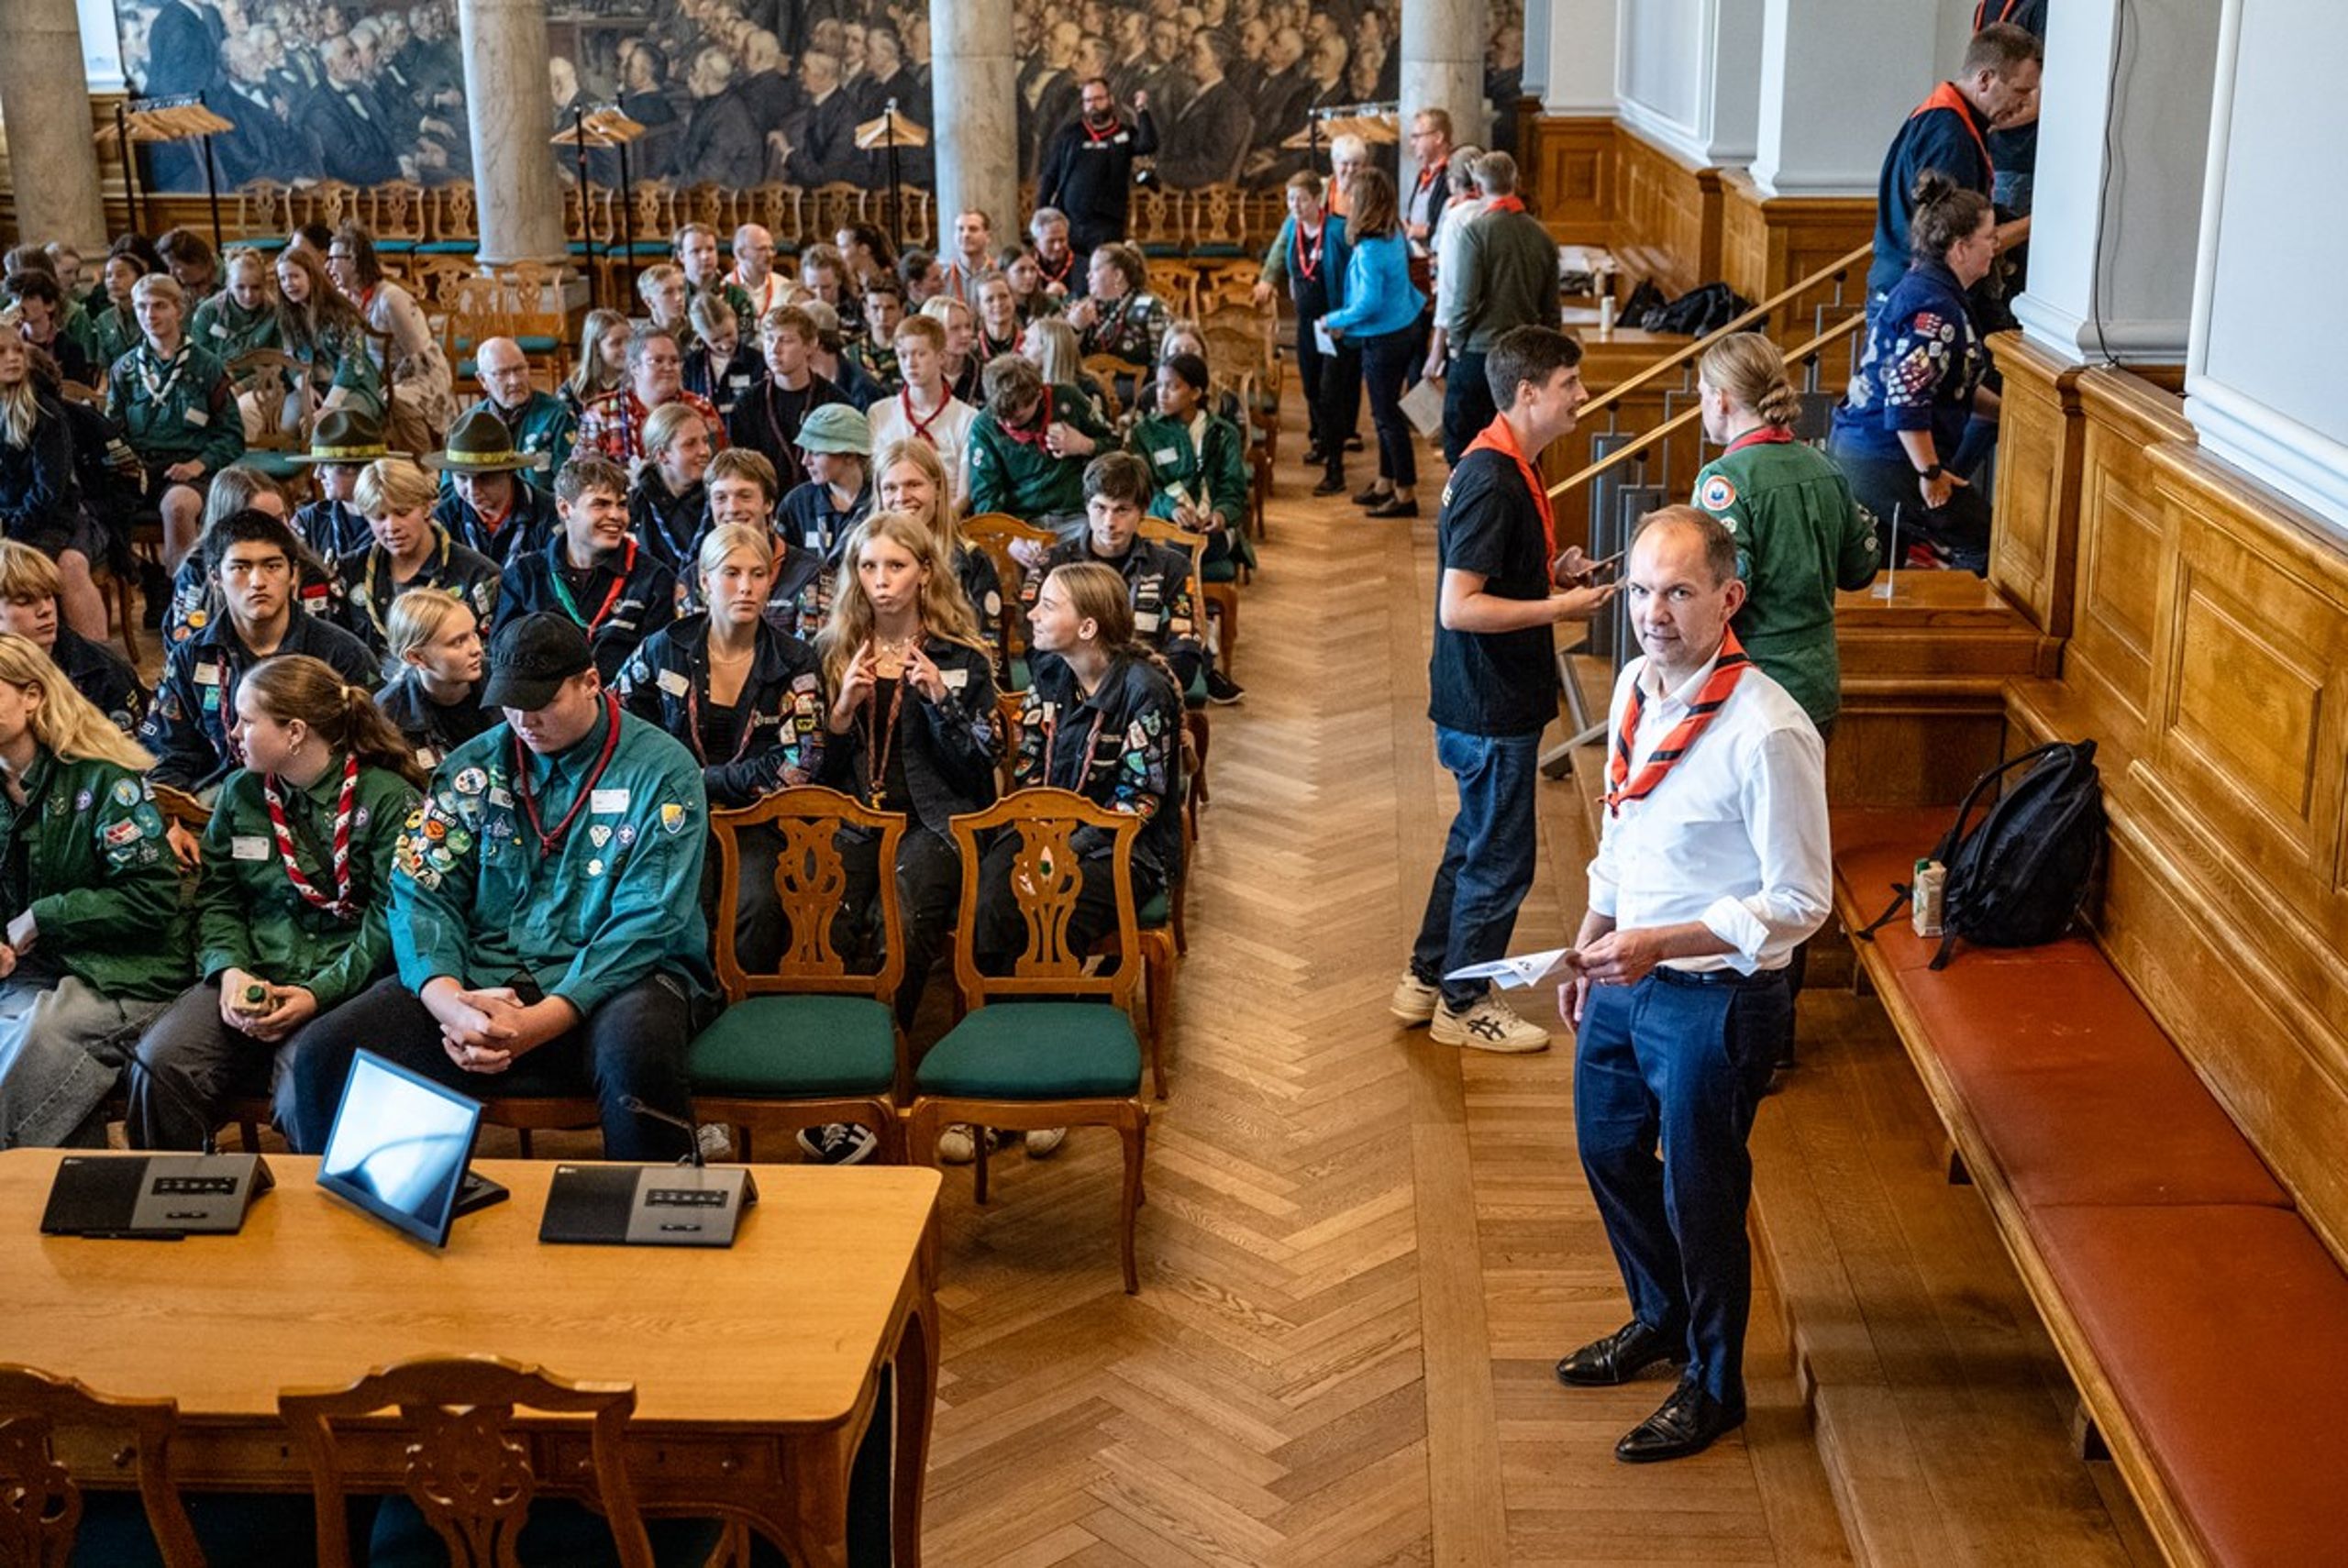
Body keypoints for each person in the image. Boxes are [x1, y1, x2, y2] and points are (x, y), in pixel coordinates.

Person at [1551, 505, 1829, 1464]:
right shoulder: (1632, 684)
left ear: (1727, 597)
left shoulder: (1767, 731)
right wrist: (1592, 938)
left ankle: (1714, 1386)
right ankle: (1660, 1317)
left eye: (1678, 592)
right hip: (1624, 972)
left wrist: (1658, 941)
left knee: (1700, 1198)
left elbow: (1801, 901)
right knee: (1606, 1151)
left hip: (1715, 998)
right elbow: (1625, 827)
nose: (1653, 613)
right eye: (1640, 590)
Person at [276, 612, 713, 1161]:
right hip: (483, 977)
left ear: (590, 682)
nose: (525, 721)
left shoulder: (662, 770)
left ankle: (659, 1225)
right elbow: (420, 892)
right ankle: (373, 1224)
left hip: (617, 980)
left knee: (638, 1050)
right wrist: (449, 1001)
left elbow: (649, 920)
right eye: (512, 703)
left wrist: (543, 1018)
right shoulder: (472, 767)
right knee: (325, 1052)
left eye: (543, 703)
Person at [1392, 326, 1612, 1051]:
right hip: (1489, 706)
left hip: (1484, 697)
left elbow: (1494, 573)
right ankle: (1464, 1004)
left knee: (1473, 843)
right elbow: (1461, 606)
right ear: (1528, 392)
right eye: (1569, 385)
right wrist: (1561, 609)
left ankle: (1427, 977)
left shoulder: (1510, 462)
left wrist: (1554, 572)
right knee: (1500, 859)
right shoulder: (1492, 477)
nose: (1581, 396)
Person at [126, 655, 426, 1151]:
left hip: (346, 983)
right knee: (161, 1065)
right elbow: (219, 897)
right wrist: (230, 971)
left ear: (294, 732)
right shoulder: (242, 793)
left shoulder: (389, 799)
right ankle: (177, 1208)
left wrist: (317, 994)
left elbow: (391, 921)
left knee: (305, 1089)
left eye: (247, 720)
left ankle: (314, 1225)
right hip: (256, 970)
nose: (233, 732)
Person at [817, 511, 1003, 1043]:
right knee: (822, 911)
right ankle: (829, 1059)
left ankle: (874, 1052)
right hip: (855, 817)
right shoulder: (834, 653)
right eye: (869, 565)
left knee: (897, 917)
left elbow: (978, 768)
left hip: (936, 822)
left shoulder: (961, 656)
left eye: (895, 565)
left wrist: (942, 704)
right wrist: (841, 714)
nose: (880, 579)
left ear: (924, 571)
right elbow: (814, 772)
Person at [0, 633, 186, 1148]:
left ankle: (11, 1188)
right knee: (22, 1036)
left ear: (32, 696)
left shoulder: (106, 780)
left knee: (45, 1035)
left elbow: (151, 899)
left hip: (129, 969)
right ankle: (63, 1202)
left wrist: (45, 915)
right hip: (38, 970)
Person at [993, 561, 1184, 972]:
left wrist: (1063, 852)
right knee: (991, 894)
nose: (1031, 615)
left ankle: (1059, 1016)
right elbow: (1029, 766)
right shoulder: (1048, 672)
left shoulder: (1144, 691)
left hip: (1125, 848)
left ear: (1087, 629)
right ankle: (998, 1012)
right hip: (1044, 829)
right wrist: (1041, 838)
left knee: (1060, 908)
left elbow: (1139, 802)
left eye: (1047, 605)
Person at [1693, 334, 1878, 735]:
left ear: (1721, 399)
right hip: (1818, 681)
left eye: (1702, 395)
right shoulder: (1825, 467)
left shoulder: (1724, 479)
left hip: (1753, 685)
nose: (1702, 407)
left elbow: (1723, 588)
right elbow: (1860, 569)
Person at [142, 509, 382, 796]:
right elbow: (167, 757)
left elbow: (373, 751)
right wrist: (176, 816)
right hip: (218, 804)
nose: (257, 581)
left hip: (321, 803)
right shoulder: (190, 658)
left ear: (293, 574)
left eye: (272, 566)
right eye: (240, 567)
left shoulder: (340, 653)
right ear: (215, 576)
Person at [1831, 175, 2001, 574]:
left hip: (1867, 450)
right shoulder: (1935, 309)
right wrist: (1931, 473)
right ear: (1960, 248)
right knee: (1990, 545)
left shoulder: (1926, 289)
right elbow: (1907, 401)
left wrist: (2007, 411)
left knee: (1883, 568)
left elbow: (1950, 384)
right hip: (1885, 456)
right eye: (1988, 237)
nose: (1996, 246)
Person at [1866, 23, 2042, 304]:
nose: (2024, 104)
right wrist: (2040, 223)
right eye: (2020, 91)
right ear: (1985, 79)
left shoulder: (1942, 114)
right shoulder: (1950, 137)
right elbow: (1957, 243)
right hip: (1920, 299)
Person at [1016, 452, 1204, 690]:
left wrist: (1142, 687)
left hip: (1146, 689)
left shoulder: (1172, 567)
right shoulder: (1051, 563)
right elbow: (1036, 646)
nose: (1109, 522)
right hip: (1069, 690)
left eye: (1122, 510)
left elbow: (1184, 648)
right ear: (1086, 505)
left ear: (1142, 511)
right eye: (1100, 507)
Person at [496, 456, 679, 682]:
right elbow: (503, 664)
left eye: (622, 504)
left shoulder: (655, 579)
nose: (615, 515)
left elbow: (661, 667)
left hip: (625, 711)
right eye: (600, 504)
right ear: (564, 508)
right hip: (544, 706)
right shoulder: (524, 576)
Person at [107, 273, 246, 571]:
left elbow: (232, 436)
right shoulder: (125, 369)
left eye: (159, 306)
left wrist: (200, 463)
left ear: (179, 310)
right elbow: (111, 433)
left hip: (190, 470)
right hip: (140, 471)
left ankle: (183, 594)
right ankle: (149, 577)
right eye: (142, 306)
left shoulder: (206, 365)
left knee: (177, 507)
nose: (149, 315)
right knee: (92, 508)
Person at [1435, 152, 1562, 466]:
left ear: (1478, 186)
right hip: (1525, 357)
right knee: (1520, 449)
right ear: (1515, 181)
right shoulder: (1541, 235)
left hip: (1479, 353)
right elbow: (1551, 309)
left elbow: (1464, 300)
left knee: (1464, 444)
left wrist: (1455, 343)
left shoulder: (1475, 232)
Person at [1321, 168, 1426, 518]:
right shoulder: (1393, 230)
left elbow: (1369, 303)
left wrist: (1333, 320)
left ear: (1362, 202)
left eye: (1350, 195)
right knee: (1388, 412)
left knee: (1387, 417)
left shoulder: (1368, 250)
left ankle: (1405, 493)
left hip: (1385, 336)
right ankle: (1385, 481)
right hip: (1405, 326)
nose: (1345, 200)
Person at [0, 328, 110, 641]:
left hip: (53, 519)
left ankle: (88, 665)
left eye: (16, 351)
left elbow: (48, 491)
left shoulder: (46, 411)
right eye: (1, 352)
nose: (11, 359)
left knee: (37, 570)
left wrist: (13, 532)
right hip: (10, 518)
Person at [338, 457, 500, 663]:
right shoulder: (350, 571)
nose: (392, 526)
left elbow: (487, 661)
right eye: (379, 517)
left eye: (402, 513)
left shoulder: (477, 575)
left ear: (426, 507)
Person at [873, 436, 1002, 671]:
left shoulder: (971, 560)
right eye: (890, 488)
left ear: (939, 489)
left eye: (914, 484)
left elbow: (989, 647)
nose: (901, 497)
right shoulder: (864, 560)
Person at [325, 223, 455, 450]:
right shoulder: (346, 299)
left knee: (396, 403)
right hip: (379, 376)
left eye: (334, 258)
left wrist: (384, 385)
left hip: (419, 376)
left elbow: (418, 360)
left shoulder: (390, 300)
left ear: (353, 259)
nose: (329, 266)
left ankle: (424, 468)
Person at [1255, 171, 1351, 474]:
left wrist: (1344, 318)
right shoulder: (1291, 226)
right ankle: (1321, 441)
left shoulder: (1336, 230)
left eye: (1302, 199)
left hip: (1334, 323)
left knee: (1330, 393)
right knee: (1310, 387)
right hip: (1306, 323)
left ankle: (1335, 466)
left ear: (1317, 199)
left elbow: (1351, 276)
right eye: (1290, 198)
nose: (1295, 205)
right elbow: (1277, 256)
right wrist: (1267, 281)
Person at [0, 541, 141, 734]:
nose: (45, 610)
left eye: (48, 596)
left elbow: (130, 753)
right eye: (25, 601)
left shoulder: (103, 671)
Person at [967, 354, 1113, 525]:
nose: (1007, 423)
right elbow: (984, 494)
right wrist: (1005, 537)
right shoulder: (984, 426)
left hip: (1073, 513)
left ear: (1038, 395)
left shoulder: (1068, 398)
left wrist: (1084, 445)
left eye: (1017, 417)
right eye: (1001, 416)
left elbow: (1115, 447)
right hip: (1019, 521)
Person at [728, 304, 849, 490]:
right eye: (769, 339)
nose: (775, 349)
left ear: (810, 345)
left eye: (786, 340)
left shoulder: (834, 402)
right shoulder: (748, 404)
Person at [573, 327, 725, 471]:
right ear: (634, 367)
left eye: (674, 361)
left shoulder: (699, 408)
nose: (668, 367)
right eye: (657, 361)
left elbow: (720, 465)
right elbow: (583, 473)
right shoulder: (602, 412)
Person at [426, 407, 561, 569]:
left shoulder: (549, 516)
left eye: (484, 478)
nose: (472, 490)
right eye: (461, 477)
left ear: (509, 472)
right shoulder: (443, 520)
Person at [265, 245, 383, 428]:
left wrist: (329, 406)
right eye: (283, 279)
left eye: (295, 276)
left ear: (311, 276)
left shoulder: (342, 313)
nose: (289, 284)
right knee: (289, 424)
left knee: (337, 424)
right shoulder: (287, 317)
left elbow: (352, 364)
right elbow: (290, 360)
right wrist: (305, 388)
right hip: (314, 386)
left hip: (353, 388)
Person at [867, 315, 978, 506]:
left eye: (920, 354)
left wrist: (940, 525)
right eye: (903, 355)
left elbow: (963, 495)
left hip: (945, 519)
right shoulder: (879, 413)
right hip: (893, 518)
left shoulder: (967, 418)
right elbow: (875, 485)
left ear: (941, 357)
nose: (910, 363)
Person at [376, 585, 491, 768]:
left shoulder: (504, 680)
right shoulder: (388, 715)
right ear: (416, 657)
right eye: (458, 642)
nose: (477, 649)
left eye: (473, 634)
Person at [464, 336, 575, 487]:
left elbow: (570, 486)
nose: (514, 381)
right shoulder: (469, 425)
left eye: (519, 369)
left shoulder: (557, 416)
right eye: (502, 373)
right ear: (482, 380)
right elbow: (451, 490)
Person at [288, 407, 390, 560]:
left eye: (326, 465)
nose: (317, 475)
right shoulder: (310, 521)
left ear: (355, 469)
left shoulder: (396, 524)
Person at [627, 401, 714, 576]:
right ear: (661, 455)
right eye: (690, 444)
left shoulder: (719, 498)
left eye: (705, 441)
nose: (704, 451)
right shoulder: (634, 505)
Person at [682, 294, 761, 422]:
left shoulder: (757, 361)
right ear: (700, 335)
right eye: (715, 340)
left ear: (734, 319)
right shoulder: (692, 365)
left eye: (729, 334)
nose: (725, 346)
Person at [561, 307, 630, 414]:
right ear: (596, 348)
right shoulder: (575, 388)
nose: (626, 348)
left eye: (630, 340)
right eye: (616, 343)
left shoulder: (638, 380)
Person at [844, 276, 906, 392]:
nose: (882, 316)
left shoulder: (911, 352)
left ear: (902, 310)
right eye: (875, 308)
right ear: (866, 311)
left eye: (890, 308)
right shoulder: (851, 355)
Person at [1403, 107, 1456, 243]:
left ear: (1438, 137)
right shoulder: (1423, 174)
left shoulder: (1454, 175)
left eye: (1417, 137)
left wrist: (1425, 231)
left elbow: (1458, 226)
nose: (1412, 143)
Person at [726, 223, 792, 320]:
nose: (770, 255)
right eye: (762, 249)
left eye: (771, 249)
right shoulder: (725, 289)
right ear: (740, 253)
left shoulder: (784, 287)